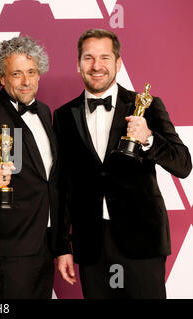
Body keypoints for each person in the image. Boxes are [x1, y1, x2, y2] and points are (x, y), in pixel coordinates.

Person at [54, 29, 192, 299]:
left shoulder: (147, 106)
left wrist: (149, 139)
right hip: (91, 243)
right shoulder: (63, 116)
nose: (96, 66)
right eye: (88, 58)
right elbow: (61, 184)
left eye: (105, 57)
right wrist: (62, 246)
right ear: (78, 63)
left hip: (142, 241)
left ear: (118, 63)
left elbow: (183, 164)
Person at [0, 36, 60, 299]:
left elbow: (47, 178)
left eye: (31, 72)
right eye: (16, 74)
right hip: (10, 245)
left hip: (45, 240)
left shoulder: (45, 111)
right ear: (2, 79)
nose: (26, 81)